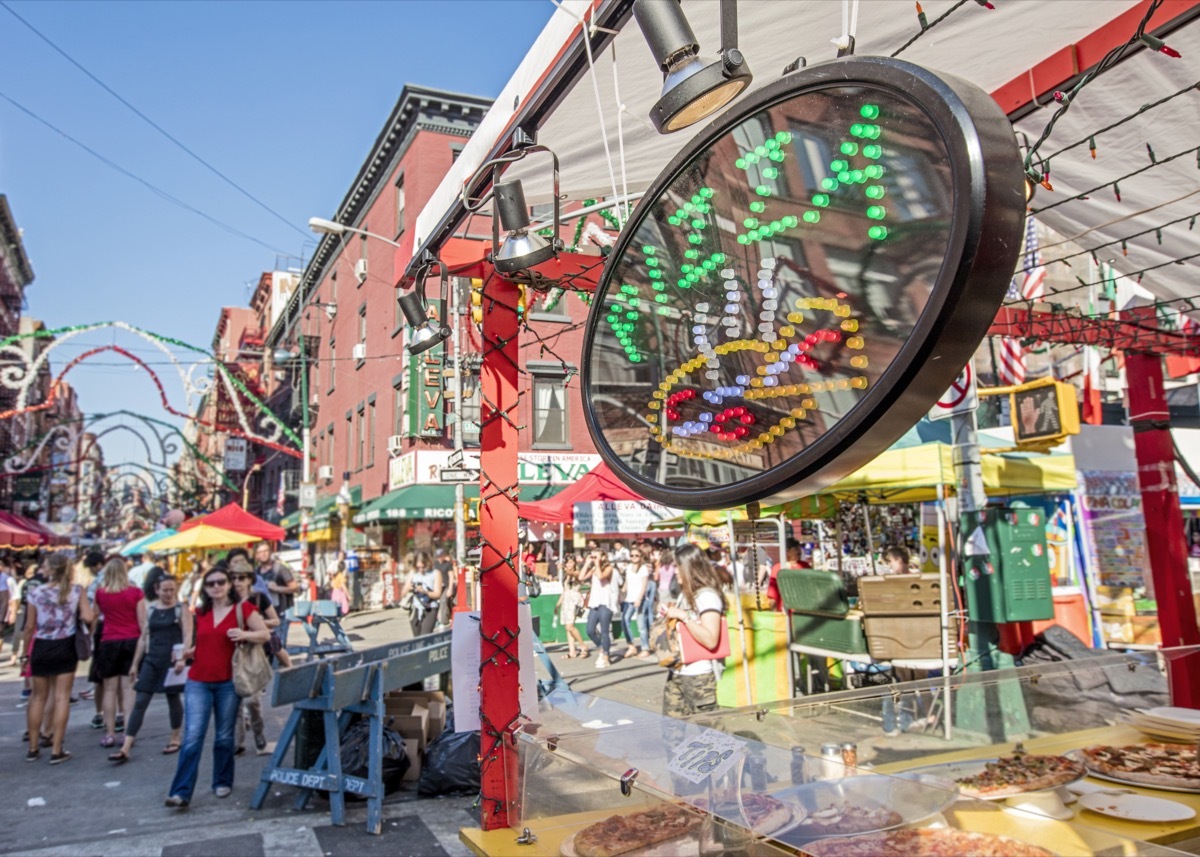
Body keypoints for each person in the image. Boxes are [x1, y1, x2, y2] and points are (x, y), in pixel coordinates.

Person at [165, 563, 269, 808]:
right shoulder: (200, 612)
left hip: (228, 681)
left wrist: (245, 635)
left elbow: (264, 634)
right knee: (192, 736)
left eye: (221, 582)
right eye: (211, 583)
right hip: (198, 679)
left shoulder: (243, 608)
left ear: (229, 584)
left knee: (224, 736)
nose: (216, 587)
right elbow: (202, 643)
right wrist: (187, 653)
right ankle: (181, 792)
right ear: (205, 588)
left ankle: (222, 780)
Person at [108, 574, 191, 763]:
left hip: (172, 661)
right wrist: (135, 664)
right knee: (141, 700)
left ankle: (175, 737)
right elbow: (144, 637)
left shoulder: (181, 609)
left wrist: (182, 658)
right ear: (157, 590)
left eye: (172, 590)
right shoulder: (151, 609)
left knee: (173, 698)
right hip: (152, 659)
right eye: (165, 590)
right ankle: (126, 746)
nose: (169, 593)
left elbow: (188, 634)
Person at [23, 553, 96, 763]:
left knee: (38, 697)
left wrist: (25, 654)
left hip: (42, 646)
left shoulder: (36, 592)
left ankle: (33, 747)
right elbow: (88, 616)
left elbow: (29, 626)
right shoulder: (76, 590)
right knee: (62, 697)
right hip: (66, 645)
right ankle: (57, 749)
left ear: (50, 569)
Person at [660, 544, 729, 718]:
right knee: (671, 733)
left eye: (677, 566)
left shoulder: (707, 597)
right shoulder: (686, 593)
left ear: (690, 567)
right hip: (676, 672)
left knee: (713, 736)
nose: (675, 571)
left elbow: (711, 639)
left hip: (699, 677)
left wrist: (684, 616)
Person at [93, 557, 147, 749]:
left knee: (109, 689)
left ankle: (109, 733)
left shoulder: (101, 593)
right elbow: (142, 622)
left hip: (109, 641)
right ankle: (127, 732)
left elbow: (96, 617)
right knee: (128, 689)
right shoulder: (136, 593)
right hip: (131, 640)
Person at [229, 557, 278, 755]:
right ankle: (238, 741)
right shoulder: (227, 601)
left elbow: (275, 620)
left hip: (254, 653)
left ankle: (259, 734)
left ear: (250, 579)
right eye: (233, 578)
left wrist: (255, 624)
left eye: (242, 578)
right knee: (236, 701)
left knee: (252, 700)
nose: (238, 582)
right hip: (232, 653)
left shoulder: (258, 599)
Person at [580, 548, 618, 669]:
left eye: (597, 556)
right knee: (590, 630)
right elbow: (581, 577)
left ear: (603, 557)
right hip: (595, 603)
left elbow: (601, 577)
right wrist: (587, 563)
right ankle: (601, 647)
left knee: (604, 631)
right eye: (594, 556)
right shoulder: (593, 569)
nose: (595, 558)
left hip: (605, 603)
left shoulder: (608, 568)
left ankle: (606, 656)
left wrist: (597, 563)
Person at [620, 547, 653, 659]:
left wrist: (639, 598)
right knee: (624, 620)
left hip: (640, 599)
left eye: (636, 555)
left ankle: (645, 648)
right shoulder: (629, 567)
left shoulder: (643, 568)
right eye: (632, 555)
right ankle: (631, 645)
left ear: (640, 557)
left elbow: (644, 585)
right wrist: (623, 591)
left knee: (641, 625)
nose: (634, 558)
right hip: (629, 598)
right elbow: (627, 581)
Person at [555, 555, 588, 660]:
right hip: (566, 600)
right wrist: (558, 604)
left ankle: (583, 645)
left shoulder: (577, 573)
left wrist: (563, 568)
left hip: (574, 600)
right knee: (567, 627)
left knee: (570, 626)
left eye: (571, 562)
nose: (569, 565)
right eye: (567, 563)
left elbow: (573, 574)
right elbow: (564, 591)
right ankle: (572, 651)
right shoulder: (565, 575)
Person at [254, 542, 297, 615]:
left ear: (270, 552)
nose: (263, 554)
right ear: (256, 555)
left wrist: (277, 588)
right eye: (260, 552)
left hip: (282, 612)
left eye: (265, 551)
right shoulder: (256, 571)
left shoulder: (280, 568)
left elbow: (294, 587)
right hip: (264, 613)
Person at [407, 551, 442, 637]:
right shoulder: (414, 573)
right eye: (418, 567)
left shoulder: (435, 573)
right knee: (417, 638)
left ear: (428, 564)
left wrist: (425, 592)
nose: (421, 570)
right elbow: (408, 587)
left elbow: (438, 594)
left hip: (430, 608)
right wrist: (412, 588)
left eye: (423, 567)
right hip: (416, 609)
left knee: (424, 636)